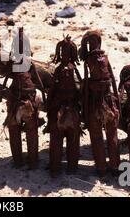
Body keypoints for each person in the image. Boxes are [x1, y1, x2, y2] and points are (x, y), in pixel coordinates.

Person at [79, 31, 121, 177]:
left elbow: (84, 88)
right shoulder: (106, 58)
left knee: (96, 136)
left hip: (95, 101)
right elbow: (114, 82)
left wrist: (84, 108)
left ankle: (101, 168)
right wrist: (117, 101)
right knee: (112, 134)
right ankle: (115, 166)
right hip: (108, 100)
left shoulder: (88, 60)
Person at [2, 28, 45, 170]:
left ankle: (33, 161)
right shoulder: (14, 63)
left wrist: (42, 94)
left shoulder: (29, 63)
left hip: (29, 99)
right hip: (15, 98)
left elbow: (38, 80)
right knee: (14, 128)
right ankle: (18, 160)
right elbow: (7, 76)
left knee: (31, 130)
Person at [48, 36, 82, 176]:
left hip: (66, 107)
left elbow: (53, 89)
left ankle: (66, 167)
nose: (64, 54)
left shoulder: (69, 70)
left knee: (68, 138)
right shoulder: (61, 69)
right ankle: (59, 168)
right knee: (61, 138)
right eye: (63, 51)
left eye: (67, 51)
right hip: (64, 107)